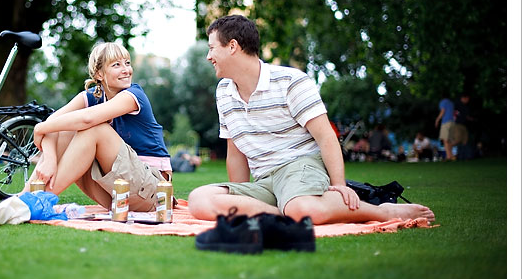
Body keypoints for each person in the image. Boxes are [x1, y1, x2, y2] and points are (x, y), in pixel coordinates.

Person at [187, 15, 434, 225]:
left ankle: (380, 212)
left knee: (303, 207)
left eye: (212, 48)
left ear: (232, 46)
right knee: (200, 200)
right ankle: (290, 213)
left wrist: (339, 186)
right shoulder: (224, 92)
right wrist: (241, 200)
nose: (209, 56)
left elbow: (326, 136)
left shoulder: (291, 81)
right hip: (265, 180)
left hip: (300, 167)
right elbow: (235, 151)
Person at [27, 42, 171, 211]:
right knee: (65, 129)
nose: (126, 70)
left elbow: (87, 119)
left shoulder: (133, 96)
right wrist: (50, 159)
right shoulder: (92, 96)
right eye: (117, 65)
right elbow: (53, 122)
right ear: (99, 73)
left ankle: (35, 203)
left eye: (127, 63)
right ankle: (25, 197)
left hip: (153, 192)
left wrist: (40, 128)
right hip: (115, 191)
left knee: (96, 128)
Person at [451, 93, 474, 160]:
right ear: (464, 98)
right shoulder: (456, 104)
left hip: (464, 125)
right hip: (457, 124)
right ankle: (449, 150)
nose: (468, 100)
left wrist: (470, 119)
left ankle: (464, 156)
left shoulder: (465, 106)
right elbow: (454, 113)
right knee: (458, 140)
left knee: (465, 141)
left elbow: (465, 116)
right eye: (467, 99)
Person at [434, 96, 456, 161]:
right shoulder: (451, 103)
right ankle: (451, 155)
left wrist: (437, 119)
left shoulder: (443, 102)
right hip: (452, 122)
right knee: (450, 140)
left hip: (446, 122)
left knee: (445, 139)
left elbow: (443, 111)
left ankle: (449, 156)